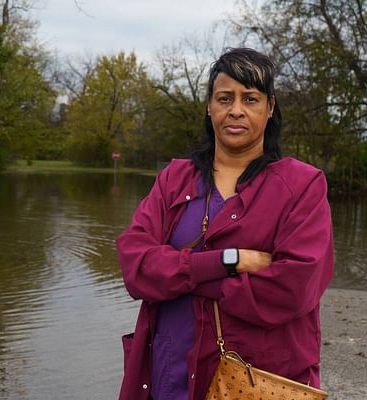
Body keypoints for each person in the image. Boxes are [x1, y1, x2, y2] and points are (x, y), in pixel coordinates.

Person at [115, 48, 334, 400]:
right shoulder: (175, 179)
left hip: (254, 383)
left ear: (270, 107)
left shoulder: (302, 186)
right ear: (209, 106)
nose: (236, 110)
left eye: (250, 99)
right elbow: (136, 266)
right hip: (169, 377)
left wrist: (184, 278)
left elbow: (294, 288)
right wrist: (227, 262)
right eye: (224, 98)